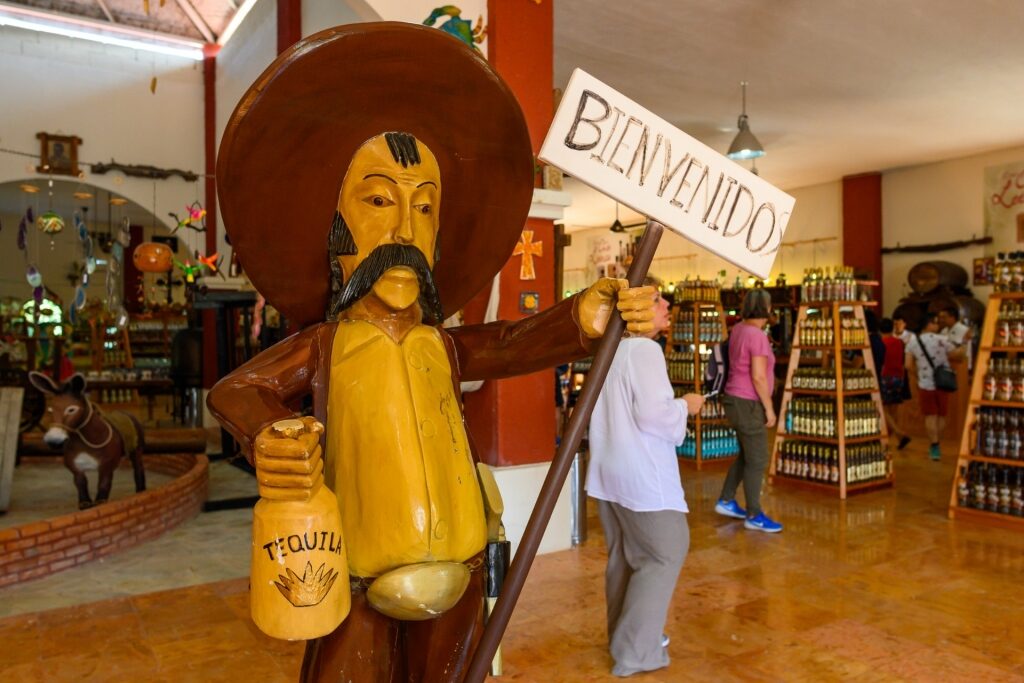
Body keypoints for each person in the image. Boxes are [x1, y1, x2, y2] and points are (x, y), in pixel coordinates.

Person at [206, 25, 658, 683]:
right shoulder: (326, 346)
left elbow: (507, 343)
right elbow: (237, 391)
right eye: (380, 201)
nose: (403, 233)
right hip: (358, 577)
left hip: (460, 572)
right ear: (337, 231)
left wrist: (583, 315)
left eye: (425, 208)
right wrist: (270, 433)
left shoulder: (441, 345)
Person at [587, 282, 703, 677]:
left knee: (626, 557)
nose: (666, 304)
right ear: (635, 311)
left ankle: (624, 638)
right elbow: (654, 417)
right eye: (656, 299)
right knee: (664, 553)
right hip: (642, 476)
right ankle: (636, 651)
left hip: (610, 471)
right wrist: (685, 406)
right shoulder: (645, 351)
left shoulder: (609, 350)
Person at [714, 288, 782, 533]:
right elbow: (758, 377)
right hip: (748, 402)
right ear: (767, 308)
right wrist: (769, 408)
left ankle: (726, 499)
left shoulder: (739, 330)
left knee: (747, 454)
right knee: (759, 458)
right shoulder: (757, 335)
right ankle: (754, 513)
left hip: (733, 400)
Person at [904, 312, 955, 461]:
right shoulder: (942, 339)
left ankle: (934, 445)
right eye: (936, 322)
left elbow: (907, 365)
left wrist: (918, 374)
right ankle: (936, 440)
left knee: (930, 416)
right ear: (929, 324)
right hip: (943, 382)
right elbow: (958, 354)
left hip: (925, 384)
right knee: (942, 415)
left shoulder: (912, 342)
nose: (938, 325)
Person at [879, 318, 911, 449]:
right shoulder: (899, 342)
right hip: (899, 377)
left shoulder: (881, 342)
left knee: (882, 408)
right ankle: (894, 438)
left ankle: (899, 434)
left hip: (885, 376)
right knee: (893, 410)